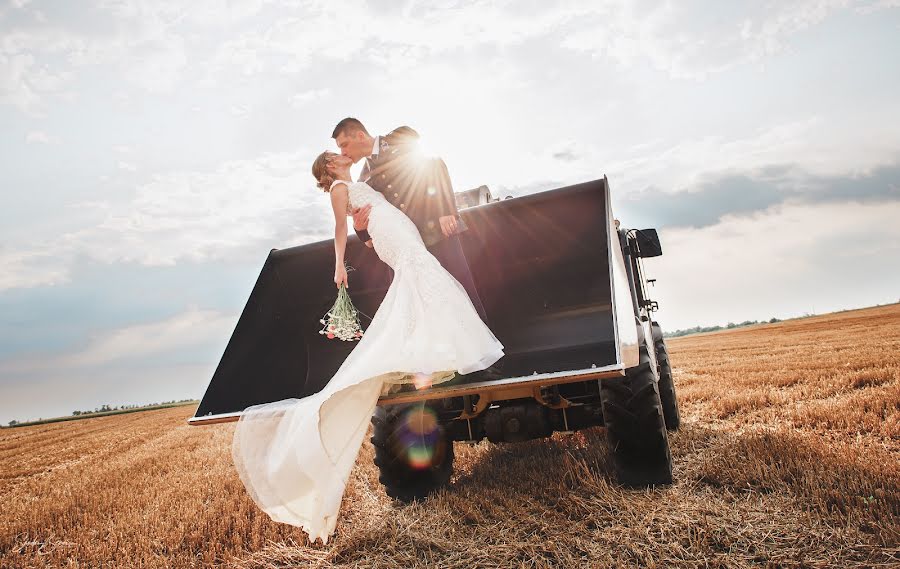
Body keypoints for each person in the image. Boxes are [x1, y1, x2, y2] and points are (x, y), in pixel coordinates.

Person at [229, 151, 504, 544]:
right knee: (420, 273)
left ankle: (430, 344)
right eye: (335, 153)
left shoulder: (357, 176)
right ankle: (437, 344)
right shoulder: (339, 188)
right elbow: (341, 228)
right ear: (329, 169)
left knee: (421, 275)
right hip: (389, 232)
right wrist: (340, 264)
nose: (343, 153)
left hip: (396, 226)